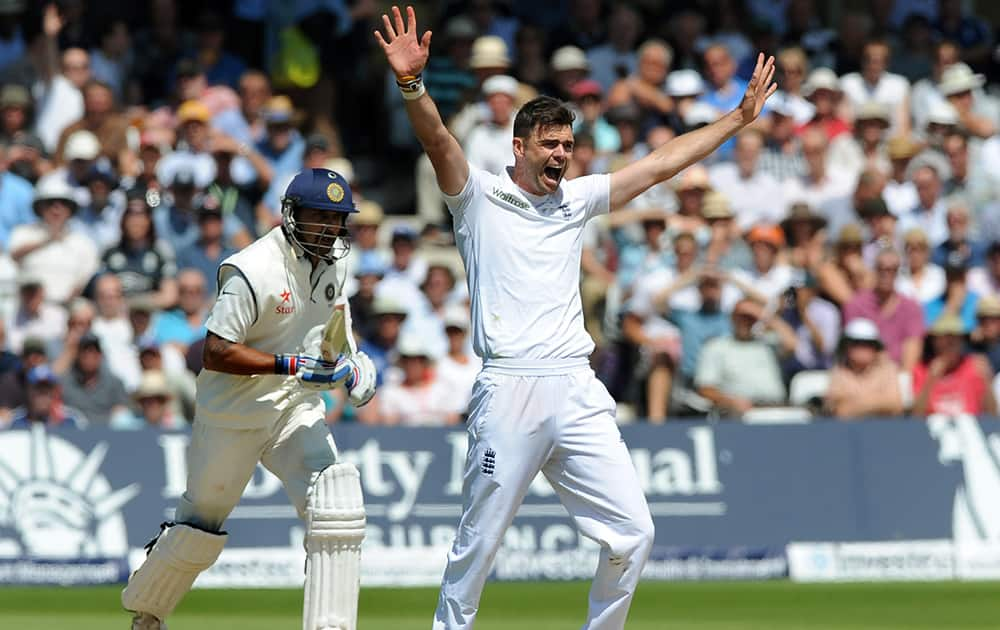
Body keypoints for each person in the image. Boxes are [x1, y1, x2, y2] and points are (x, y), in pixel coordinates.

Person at [375, 7, 776, 627]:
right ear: (519, 146)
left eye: (568, 144)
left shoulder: (577, 199)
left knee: (633, 533)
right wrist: (412, 84)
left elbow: (661, 164)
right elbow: (437, 141)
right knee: (477, 545)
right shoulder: (478, 195)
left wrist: (737, 119)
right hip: (508, 385)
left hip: (575, 384)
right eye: (550, 143)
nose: (562, 154)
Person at [121, 168, 377, 630]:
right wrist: (289, 365)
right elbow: (215, 351)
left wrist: (356, 364)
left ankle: (330, 625)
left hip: (295, 409)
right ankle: (148, 610)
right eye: (320, 216)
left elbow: (339, 326)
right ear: (292, 215)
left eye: (338, 219)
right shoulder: (252, 268)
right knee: (200, 524)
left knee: (335, 502)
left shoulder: (337, 262)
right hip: (232, 414)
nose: (330, 229)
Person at [694, 298, 796, 415]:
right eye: (741, 317)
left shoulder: (768, 344)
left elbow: (792, 344)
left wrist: (764, 315)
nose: (745, 322)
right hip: (740, 411)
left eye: (750, 318)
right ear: (732, 318)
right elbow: (705, 389)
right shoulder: (716, 347)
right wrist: (730, 401)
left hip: (777, 407)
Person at [913, 314, 995, 417]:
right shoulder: (921, 369)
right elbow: (916, 415)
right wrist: (930, 380)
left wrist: (986, 381)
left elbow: (992, 414)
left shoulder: (975, 366)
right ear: (934, 340)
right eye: (946, 337)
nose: (951, 342)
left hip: (969, 428)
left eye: (956, 337)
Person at [825, 318, 903, 419]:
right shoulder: (839, 371)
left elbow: (895, 405)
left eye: (869, 344)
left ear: (876, 347)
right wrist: (879, 402)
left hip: (884, 431)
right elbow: (840, 410)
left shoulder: (888, 369)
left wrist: (855, 404)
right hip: (849, 432)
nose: (863, 348)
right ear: (846, 346)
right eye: (856, 343)